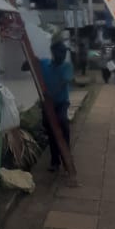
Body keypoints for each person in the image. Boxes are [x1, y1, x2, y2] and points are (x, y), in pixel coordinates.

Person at [40, 37, 73, 172]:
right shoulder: (45, 64)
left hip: (60, 103)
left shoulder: (67, 66)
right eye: (60, 52)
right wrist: (29, 63)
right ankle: (55, 161)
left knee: (62, 122)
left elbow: (63, 83)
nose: (63, 55)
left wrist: (50, 95)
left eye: (64, 52)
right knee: (51, 131)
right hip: (47, 104)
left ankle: (66, 157)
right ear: (53, 52)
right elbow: (30, 64)